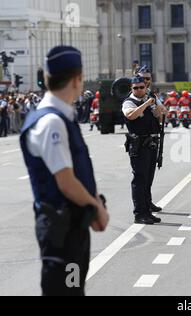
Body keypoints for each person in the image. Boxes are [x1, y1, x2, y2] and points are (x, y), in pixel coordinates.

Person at [19, 45, 109, 296]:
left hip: (71, 226)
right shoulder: (52, 122)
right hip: (62, 230)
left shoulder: (59, 117)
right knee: (66, 292)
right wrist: (97, 207)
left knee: (73, 290)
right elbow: (66, 182)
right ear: (76, 80)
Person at [122, 76, 168, 225]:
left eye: (142, 87)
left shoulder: (150, 99)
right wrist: (147, 103)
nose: (139, 90)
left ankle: (147, 211)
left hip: (151, 143)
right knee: (139, 179)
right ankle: (139, 214)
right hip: (138, 145)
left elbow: (160, 118)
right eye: (136, 88)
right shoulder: (129, 102)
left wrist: (157, 107)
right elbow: (131, 115)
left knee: (148, 179)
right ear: (131, 89)